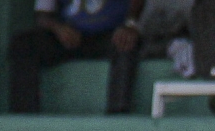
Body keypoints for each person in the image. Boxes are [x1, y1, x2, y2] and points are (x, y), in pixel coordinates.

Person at [9, 0, 145, 114]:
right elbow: (42, 15)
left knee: (126, 42)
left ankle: (117, 114)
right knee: (23, 44)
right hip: (69, 36)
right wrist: (58, 28)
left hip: (109, 34)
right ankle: (25, 115)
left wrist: (129, 25)